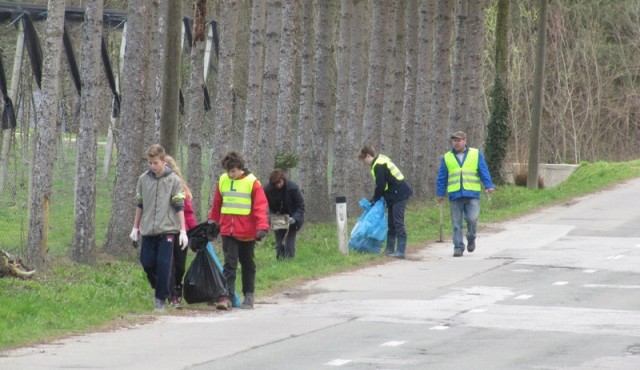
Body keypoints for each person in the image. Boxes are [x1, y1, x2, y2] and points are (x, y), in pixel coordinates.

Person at [206, 151, 269, 310]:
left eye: (233, 171)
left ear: (240, 168)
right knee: (230, 264)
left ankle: (249, 295)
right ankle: (226, 297)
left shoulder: (253, 182)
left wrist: (262, 227)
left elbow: (260, 207)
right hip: (228, 230)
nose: (231, 174)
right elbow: (217, 204)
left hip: (247, 232)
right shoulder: (222, 180)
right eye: (228, 171)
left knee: (247, 263)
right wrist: (212, 221)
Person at [129, 144, 188, 312]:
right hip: (148, 228)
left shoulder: (174, 180)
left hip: (167, 228)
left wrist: (183, 231)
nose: (152, 166)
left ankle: (160, 299)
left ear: (163, 161)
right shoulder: (143, 179)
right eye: (149, 163)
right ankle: (161, 288)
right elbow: (140, 204)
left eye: (155, 162)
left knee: (164, 263)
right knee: (147, 262)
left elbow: (179, 205)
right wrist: (136, 227)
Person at [436, 131, 495, 257]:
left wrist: (488, 185)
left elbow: (483, 170)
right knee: (456, 223)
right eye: (454, 141)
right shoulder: (446, 157)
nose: (456, 143)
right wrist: (440, 193)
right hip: (455, 194)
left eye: (459, 140)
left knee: (472, 219)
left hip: (472, 193)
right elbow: (442, 177)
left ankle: (471, 236)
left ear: (465, 141)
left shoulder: (475, 154)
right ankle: (458, 247)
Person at [358, 144, 413, 259]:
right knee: (391, 223)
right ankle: (389, 249)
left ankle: (401, 250)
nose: (364, 163)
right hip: (394, 195)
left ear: (368, 156)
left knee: (398, 222)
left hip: (399, 194)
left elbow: (381, 186)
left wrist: (374, 199)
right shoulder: (380, 161)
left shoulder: (379, 165)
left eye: (363, 160)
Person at [164, 155, 198, 308]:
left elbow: (188, 212)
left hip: (181, 231)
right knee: (169, 263)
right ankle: (172, 296)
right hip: (164, 230)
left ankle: (178, 287)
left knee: (180, 265)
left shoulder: (181, 188)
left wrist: (193, 231)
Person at [263, 169, 305, 259]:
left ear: (283, 179)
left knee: (289, 242)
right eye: (275, 184)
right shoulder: (267, 189)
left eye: (279, 182)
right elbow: (265, 206)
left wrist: (294, 218)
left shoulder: (293, 188)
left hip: (293, 217)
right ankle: (280, 260)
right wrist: (271, 216)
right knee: (279, 242)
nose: (278, 185)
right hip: (278, 217)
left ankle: (289, 261)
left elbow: (300, 206)